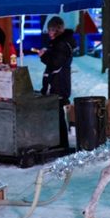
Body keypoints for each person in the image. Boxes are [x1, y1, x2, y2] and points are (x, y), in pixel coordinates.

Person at [38, 16, 75, 148]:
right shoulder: (59, 43)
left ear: (57, 30)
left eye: (51, 29)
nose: (49, 32)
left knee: (57, 114)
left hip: (58, 84)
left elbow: (55, 64)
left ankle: (61, 144)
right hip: (58, 83)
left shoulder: (61, 44)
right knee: (56, 114)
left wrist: (44, 56)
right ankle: (58, 143)